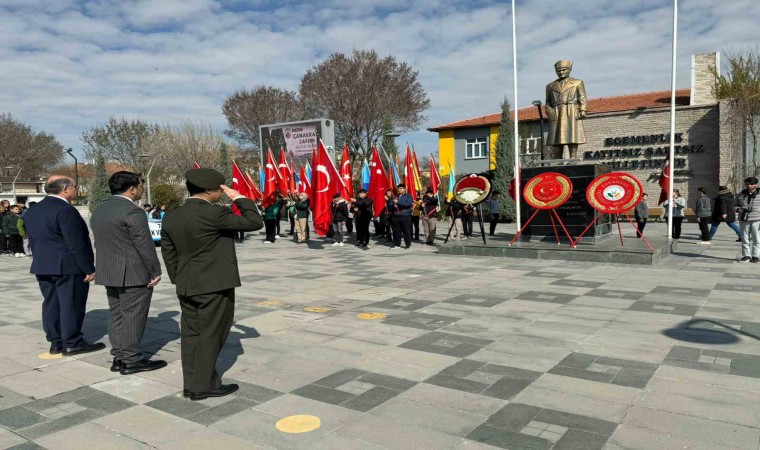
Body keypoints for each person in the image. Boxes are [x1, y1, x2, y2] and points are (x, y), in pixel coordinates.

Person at [160, 168, 263, 400]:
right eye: (219, 189)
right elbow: (254, 221)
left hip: (187, 284)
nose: (221, 193)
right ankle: (203, 386)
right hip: (214, 285)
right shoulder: (214, 214)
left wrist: (180, 278)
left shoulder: (173, 215)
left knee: (191, 336)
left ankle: (193, 383)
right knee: (211, 335)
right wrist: (239, 198)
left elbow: (169, 253)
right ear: (209, 190)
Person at [91, 171, 167, 376]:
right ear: (132, 189)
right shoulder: (132, 212)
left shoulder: (100, 209)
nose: (142, 188)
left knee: (116, 314)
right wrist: (155, 270)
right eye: (141, 185)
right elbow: (144, 244)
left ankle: (119, 356)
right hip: (133, 272)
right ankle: (132, 359)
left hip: (109, 270)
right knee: (133, 316)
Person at [24, 176, 105, 356]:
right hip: (67, 265)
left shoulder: (33, 210)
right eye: (75, 187)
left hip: (42, 264)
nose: (76, 190)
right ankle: (72, 342)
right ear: (66, 189)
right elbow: (75, 243)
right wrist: (88, 268)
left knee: (51, 303)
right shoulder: (66, 210)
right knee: (71, 304)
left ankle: (56, 341)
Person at [544, 59, 587, 160]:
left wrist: (583, 110)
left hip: (571, 110)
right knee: (556, 137)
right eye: (558, 71)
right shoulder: (550, 86)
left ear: (569, 70)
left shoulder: (577, 83)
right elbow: (547, 101)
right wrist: (549, 112)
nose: (561, 72)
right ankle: (557, 159)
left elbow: (582, 98)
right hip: (557, 112)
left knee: (572, 135)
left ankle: (573, 157)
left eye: (564, 70)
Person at [737, 177, 760, 263]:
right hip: (744, 218)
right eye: (747, 184)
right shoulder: (740, 194)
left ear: (756, 185)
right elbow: (734, 205)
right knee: (744, 238)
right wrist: (738, 209)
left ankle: (755, 256)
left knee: (756, 239)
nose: (749, 186)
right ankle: (746, 256)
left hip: (757, 219)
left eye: (751, 184)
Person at [389, 184, 414, 249]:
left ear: (404, 189)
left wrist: (398, 202)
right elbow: (390, 205)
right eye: (398, 188)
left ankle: (408, 244)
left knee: (406, 230)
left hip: (405, 215)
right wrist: (393, 206)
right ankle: (397, 244)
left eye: (401, 188)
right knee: (396, 231)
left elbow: (408, 204)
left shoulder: (408, 196)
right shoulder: (395, 196)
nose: (399, 189)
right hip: (395, 216)